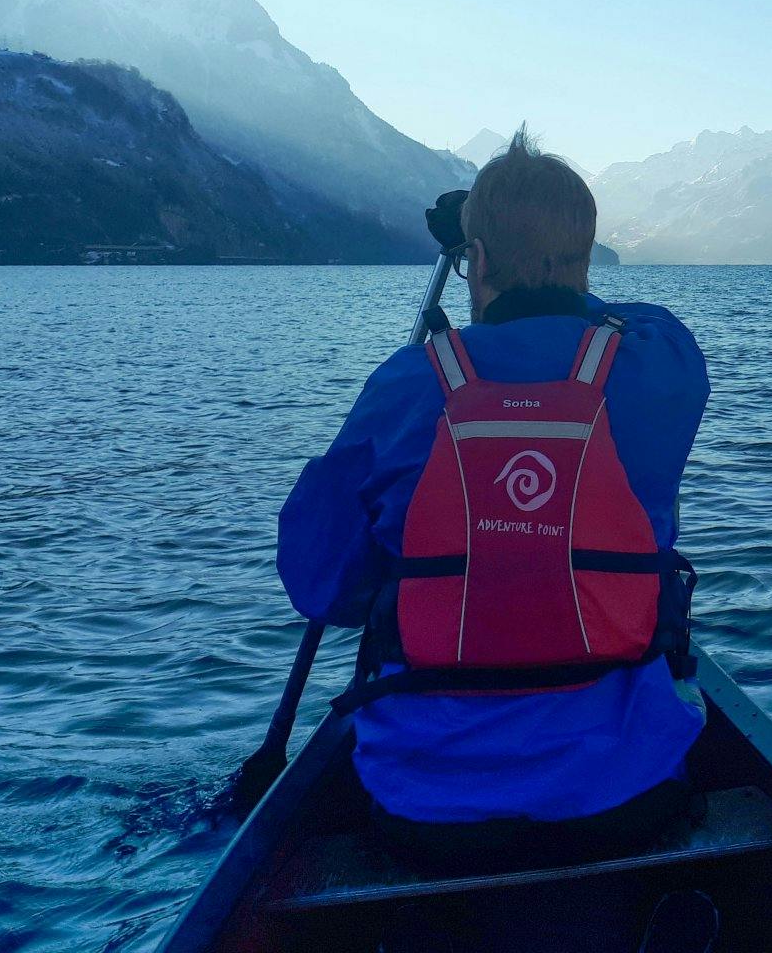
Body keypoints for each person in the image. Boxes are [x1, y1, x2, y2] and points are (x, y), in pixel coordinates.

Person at [276, 131, 708, 855]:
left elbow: (320, 587)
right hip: (628, 793)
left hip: (422, 806)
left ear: (472, 262)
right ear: (587, 256)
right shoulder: (665, 367)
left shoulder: (407, 384)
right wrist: (543, 249)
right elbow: (640, 320)